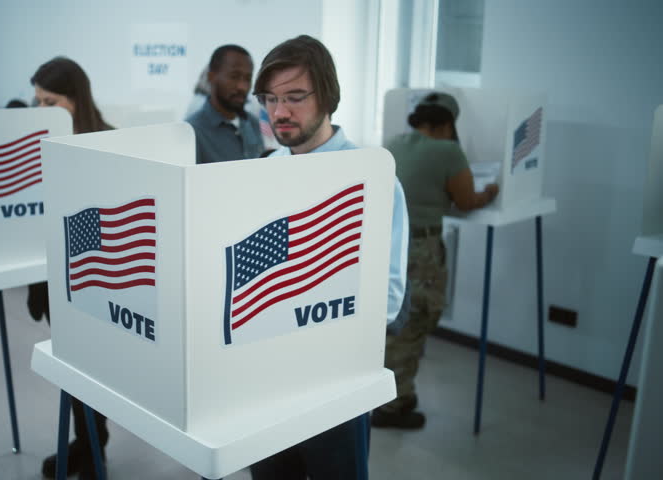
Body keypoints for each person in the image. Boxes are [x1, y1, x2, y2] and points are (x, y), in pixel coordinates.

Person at [248, 34, 409, 480]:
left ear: (328, 96)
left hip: (336, 384)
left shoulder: (372, 177)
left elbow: (391, 300)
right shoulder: (263, 170)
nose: (279, 112)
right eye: (271, 98)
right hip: (267, 383)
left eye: (295, 97)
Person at [371, 92, 499, 430]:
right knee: (413, 322)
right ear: (447, 124)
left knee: (390, 322)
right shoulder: (448, 151)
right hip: (421, 250)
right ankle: (393, 405)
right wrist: (492, 192)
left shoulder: (393, 143)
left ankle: (389, 392)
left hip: (384, 244)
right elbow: (467, 200)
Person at [28, 56, 113, 480]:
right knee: (74, 373)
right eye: (37, 102)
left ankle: (93, 444)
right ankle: (89, 443)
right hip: (55, 284)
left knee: (97, 370)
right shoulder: (33, 148)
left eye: (51, 102)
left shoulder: (111, 143)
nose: (41, 112)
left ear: (76, 100)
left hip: (99, 280)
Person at [185, 45, 264, 164]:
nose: (242, 86)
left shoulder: (252, 123)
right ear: (211, 77)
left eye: (247, 78)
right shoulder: (193, 131)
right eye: (234, 77)